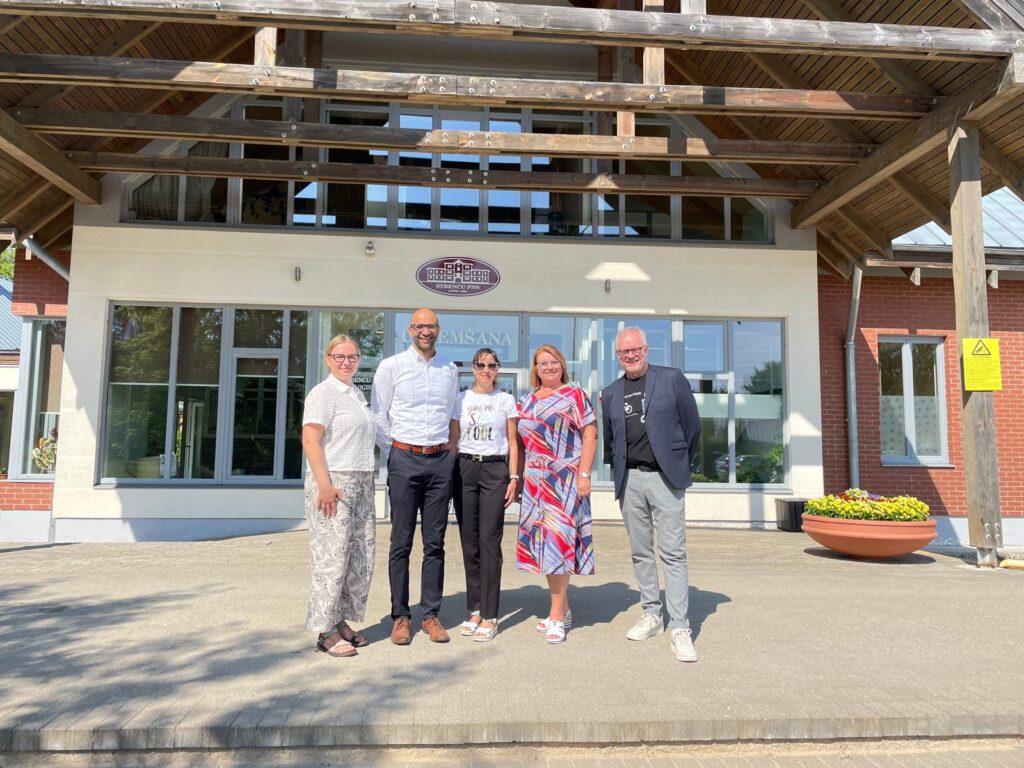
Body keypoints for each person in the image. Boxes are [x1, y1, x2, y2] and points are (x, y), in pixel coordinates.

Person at [600, 327, 702, 662]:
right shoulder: (611, 392)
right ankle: (652, 614)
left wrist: (677, 463)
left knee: (673, 553)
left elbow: (693, 427)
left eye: (635, 349)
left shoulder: (671, 379)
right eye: (623, 352)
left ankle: (680, 627)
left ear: (645, 350)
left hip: (665, 478)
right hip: (630, 480)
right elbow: (612, 440)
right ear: (618, 356)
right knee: (640, 552)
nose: (630, 355)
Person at [371, 308, 459, 645]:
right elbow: (379, 416)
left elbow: (452, 414)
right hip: (404, 459)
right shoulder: (391, 366)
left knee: (435, 543)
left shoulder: (449, 369)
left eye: (430, 326)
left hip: (439, 462)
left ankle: (431, 615)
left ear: (438, 329)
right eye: (419, 326)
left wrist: (449, 454)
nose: (425, 331)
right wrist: (396, 451)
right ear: (410, 330)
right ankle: (401, 617)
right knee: (401, 542)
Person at [514, 344, 597, 644]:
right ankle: (564, 608)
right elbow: (519, 444)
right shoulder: (526, 401)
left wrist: (584, 474)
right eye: (542, 363)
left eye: (554, 362)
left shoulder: (575, 395)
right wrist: (518, 480)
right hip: (535, 482)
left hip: (564, 480)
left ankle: (557, 616)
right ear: (535, 369)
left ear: (562, 365)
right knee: (545, 549)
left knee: (559, 546)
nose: (548, 367)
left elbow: (590, 434)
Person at [301, 334, 377, 658]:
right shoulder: (323, 393)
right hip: (334, 484)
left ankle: (339, 620)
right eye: (340, 356)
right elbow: (310, 440)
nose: (347, 362)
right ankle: (325, 631)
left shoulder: (357, 394)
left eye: (352, 357)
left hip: (362, 483)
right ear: (328, 359)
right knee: (330, 559)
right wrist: (325, 485)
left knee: (357, 558)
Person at [451, 347, 519, 643]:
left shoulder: (505, 400)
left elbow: (513, 443)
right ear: (473, 367)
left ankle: (490, 614)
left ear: (497, 369)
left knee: (489, 541)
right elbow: (454, 439)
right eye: (481, 365)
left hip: (494, 470)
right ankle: (475, 609)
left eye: (492, 365)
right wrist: (448, 475)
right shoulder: (460, 399)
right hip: (465, 469)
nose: (486, 370)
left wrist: (514, 478)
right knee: (469, 542)